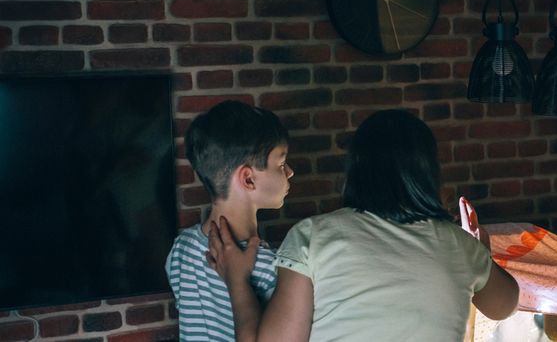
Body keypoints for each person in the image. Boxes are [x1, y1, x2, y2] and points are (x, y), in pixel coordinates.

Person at [208, 109, 519, 341]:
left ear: (356, 170)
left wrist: (237, 281)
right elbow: (505, 305)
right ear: (427, 173)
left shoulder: (312, 237)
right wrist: (478, 251)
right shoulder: (460, 245)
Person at [165, 100, 295, 341]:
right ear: (248, 179)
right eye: (281, 163)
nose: (290, 172)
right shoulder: (270, 268)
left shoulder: (180, 249)